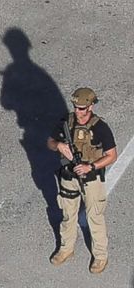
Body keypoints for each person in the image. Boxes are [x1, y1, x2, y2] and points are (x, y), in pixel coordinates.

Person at [48, 87, 119, 274]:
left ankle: (101, 256)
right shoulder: (67, 122)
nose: (78, 111)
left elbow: (112, 155)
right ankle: (66, 249)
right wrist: (59, 146)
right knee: (67, 214)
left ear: (91, 106)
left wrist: (91, 167)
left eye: (82, 108)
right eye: (76, 107)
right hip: (69, 176)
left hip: (91, 179)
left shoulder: (100, 127)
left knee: (94, 216)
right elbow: (50, 142)